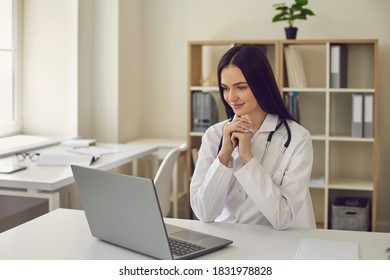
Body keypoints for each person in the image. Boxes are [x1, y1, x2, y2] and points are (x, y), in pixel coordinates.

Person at [190, 44, 316, 230]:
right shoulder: (214, 135)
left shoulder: (298, 139)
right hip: (224, 241)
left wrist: (247, 159)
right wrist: (224, 155)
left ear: (260, 85)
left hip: (272, 246)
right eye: (225, 88)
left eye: (241, 87)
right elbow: (203, 213)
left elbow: (283, 218)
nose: (231, 97)